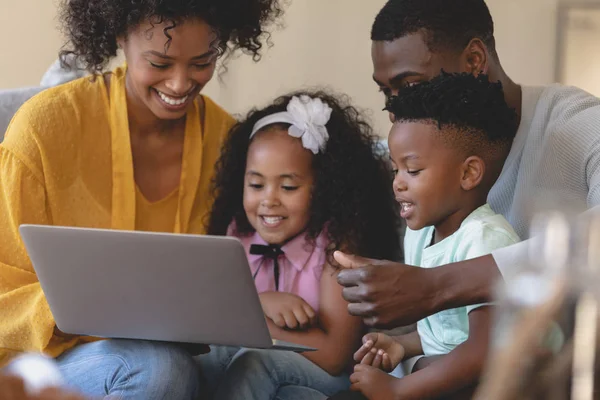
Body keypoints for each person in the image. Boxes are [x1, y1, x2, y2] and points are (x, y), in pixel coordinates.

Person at [0, 0, 283, 398]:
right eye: (160, 63)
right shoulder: (44, 130)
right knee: (157, 369)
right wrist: (79, 312)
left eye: (201, 62)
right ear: (119, 36)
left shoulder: (229, 143)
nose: (181, 83)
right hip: (50, 358)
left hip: (182, 358)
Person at [335, 0, 600, 343]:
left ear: (474, 61)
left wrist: (437, 285)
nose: (395, 109)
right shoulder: (409, 163)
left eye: (410, 86)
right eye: (387, 92)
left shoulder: (579, 125)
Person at [199, 90, 401, 399]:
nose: (269, 200)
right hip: (278, 384)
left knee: (254, 363)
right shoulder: (235, 235)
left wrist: (255, 324)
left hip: (331, 376)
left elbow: (334, 356)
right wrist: (261, 302)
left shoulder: (336, 247)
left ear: (323, 188)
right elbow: (211, 318)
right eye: (256, 184)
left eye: (288, 186)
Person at [349, 72, 520, 399]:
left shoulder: (485, 240)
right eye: (395, 168)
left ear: (468, 173)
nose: (398, 182)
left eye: (412, 170)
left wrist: (399, 390)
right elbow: (448, 333)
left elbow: (481, 352)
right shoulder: (420, 234)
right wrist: (401, 344)